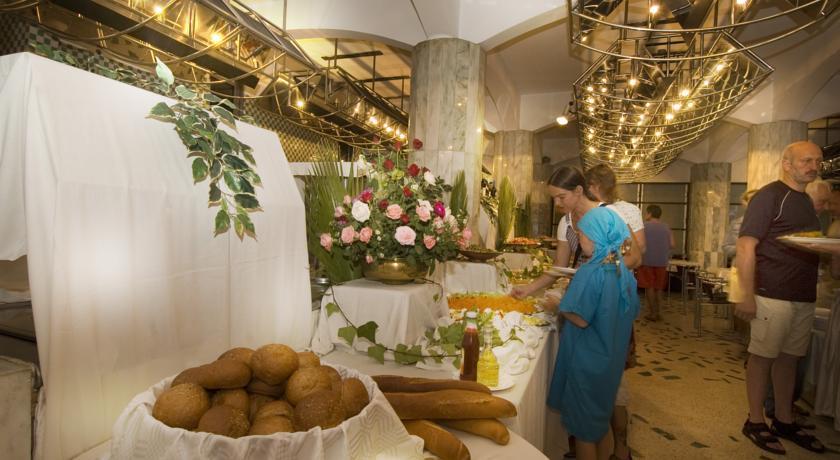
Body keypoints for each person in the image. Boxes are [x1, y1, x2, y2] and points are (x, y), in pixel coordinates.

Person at [735, 140, 825, 455]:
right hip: (771, 293)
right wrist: (746, 294)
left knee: (789, 359)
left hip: (803, 294)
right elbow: (745, 246)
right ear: (787, 164)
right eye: (806, 160)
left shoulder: (806, 201)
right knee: (762, 358)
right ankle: (755, 420)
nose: (813, 166)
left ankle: (784, 419)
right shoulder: (770, 196)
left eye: (818, 161)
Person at [548, 207, 640, 460]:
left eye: (583, 234)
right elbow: (630, 311)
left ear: (596, 237)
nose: (580, 240)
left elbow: (579, 317)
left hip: (587, 362)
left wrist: (558, 305)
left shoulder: (591, 271)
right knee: (599, 424)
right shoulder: (621, 270)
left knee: (584, 432)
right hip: (609, 362)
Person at [585, 164, 646, 255]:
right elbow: (640, 246)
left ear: (596, 186)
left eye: (587, 186)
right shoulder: (631, 209)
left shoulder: (630, 210)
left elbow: (640, 246)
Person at [637, 205, 674, 321]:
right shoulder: (666, 227)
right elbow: (672, 244)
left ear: (649, 214)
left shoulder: (643, 226)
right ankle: (659, 312)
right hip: (662, 262)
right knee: (659, 288)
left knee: (650, 287)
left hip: (647, 261)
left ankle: (652, 313)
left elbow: (638, 243)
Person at [723, 190, 759, 266]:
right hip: (739, 266)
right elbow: (726, 247)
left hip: (763, 267)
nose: (754, 202)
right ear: (745, 203)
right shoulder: (735, 223)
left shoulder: (771, 223)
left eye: (757, 199)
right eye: (750, 199)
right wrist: (741, 248)